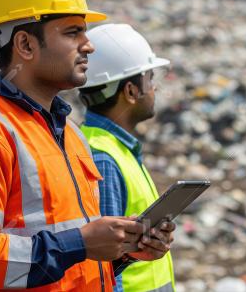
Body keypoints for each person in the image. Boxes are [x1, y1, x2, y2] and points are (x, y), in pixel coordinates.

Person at [0, 0, 173, 291]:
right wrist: (81, 244)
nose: (88, 45)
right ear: (26, 45)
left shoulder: (69, 133)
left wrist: (126, 249)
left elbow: (70, 258)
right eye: (73, 32)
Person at [77, 23, 176, 292]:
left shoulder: (112, 148)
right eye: (149, 79)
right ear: (131, 91)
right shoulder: (104, 159)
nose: (154, 88)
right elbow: (105, 264)